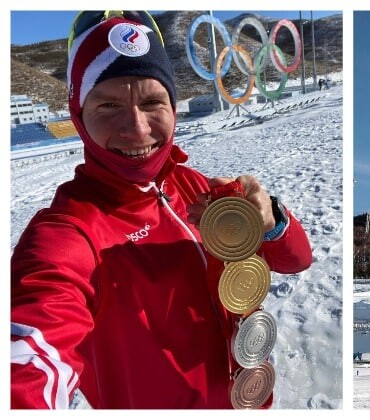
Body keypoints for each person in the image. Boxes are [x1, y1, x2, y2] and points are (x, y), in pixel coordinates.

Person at [10, 11, 313, 409]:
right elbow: (29, 355)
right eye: (108, 105)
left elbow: (298, 259)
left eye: (153, 101)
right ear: (79, 115)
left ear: (173, 106)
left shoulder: (196, 187)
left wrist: (270, 220)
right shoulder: (70, 231)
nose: (137, 129)